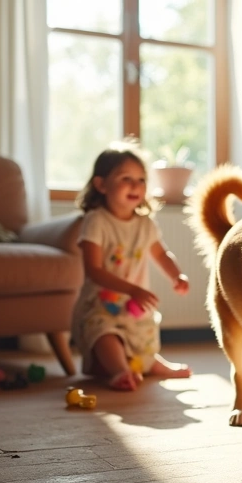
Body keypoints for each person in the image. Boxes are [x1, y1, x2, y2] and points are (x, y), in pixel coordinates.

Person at [72, 140, 192, 391]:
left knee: (143, 336)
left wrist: (176, 275)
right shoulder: (96, 222)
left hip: (133, 306)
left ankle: (151, 363)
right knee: (106, 335)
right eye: (126, 178)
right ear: (101, 184)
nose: (135, 185)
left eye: (141, 179)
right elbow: (93, 270)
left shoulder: (145, 224)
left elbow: (161, 254)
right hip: (100, 306)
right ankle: (120, 371)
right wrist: (132, 288)